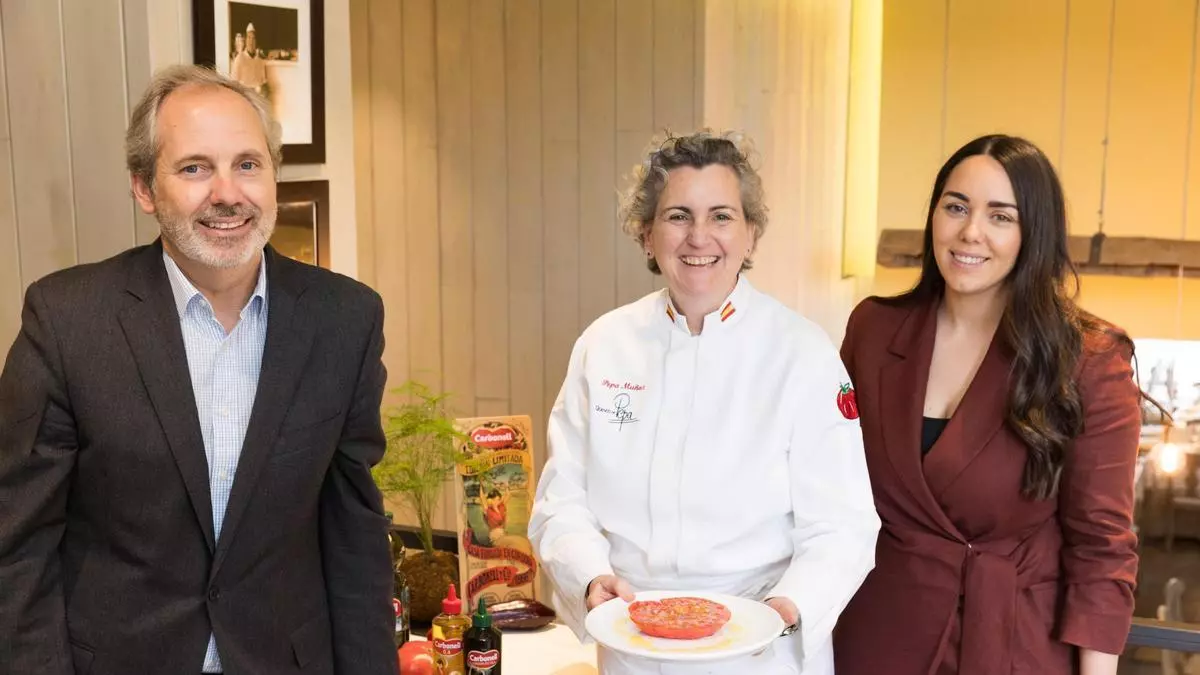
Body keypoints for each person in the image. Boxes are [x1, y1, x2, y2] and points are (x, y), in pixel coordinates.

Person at [0, 64, 398, 675]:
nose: (227, 194)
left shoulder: (345, 320)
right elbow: (18, 545)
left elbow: (354, 536)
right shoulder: (67, 321)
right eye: (194, 168)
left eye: (247, 164)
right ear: (143, 188)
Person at [529, 130, 881, 674]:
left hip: (761, 648)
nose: (699, 237)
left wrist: (786, 608)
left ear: (751, 235)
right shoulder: (604, 345)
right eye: (678, 216)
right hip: (632, 639)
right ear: (647, 235)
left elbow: (843, 523)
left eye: (721, 216)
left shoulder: (802, 353)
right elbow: (562, 500)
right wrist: (591, 577)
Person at [833, 134, 1143, 675]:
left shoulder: (1088, 359)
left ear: (1034, 233)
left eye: (1000, 216)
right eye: (956, 207)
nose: (970, 232)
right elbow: (828, 489)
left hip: (1011, 644)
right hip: (876, 637)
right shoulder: (874, 329)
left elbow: (1101, 552)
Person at [230, 23, 267, 95]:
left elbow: (263, 82)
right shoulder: (239, 59)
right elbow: (233, 83)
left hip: (257, 96)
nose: (251, 41)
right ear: (246, 40)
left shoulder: (260, 61)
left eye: (253, 38)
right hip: (244, 95)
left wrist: (262, 91)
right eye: (249, 37)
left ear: (256, 41)